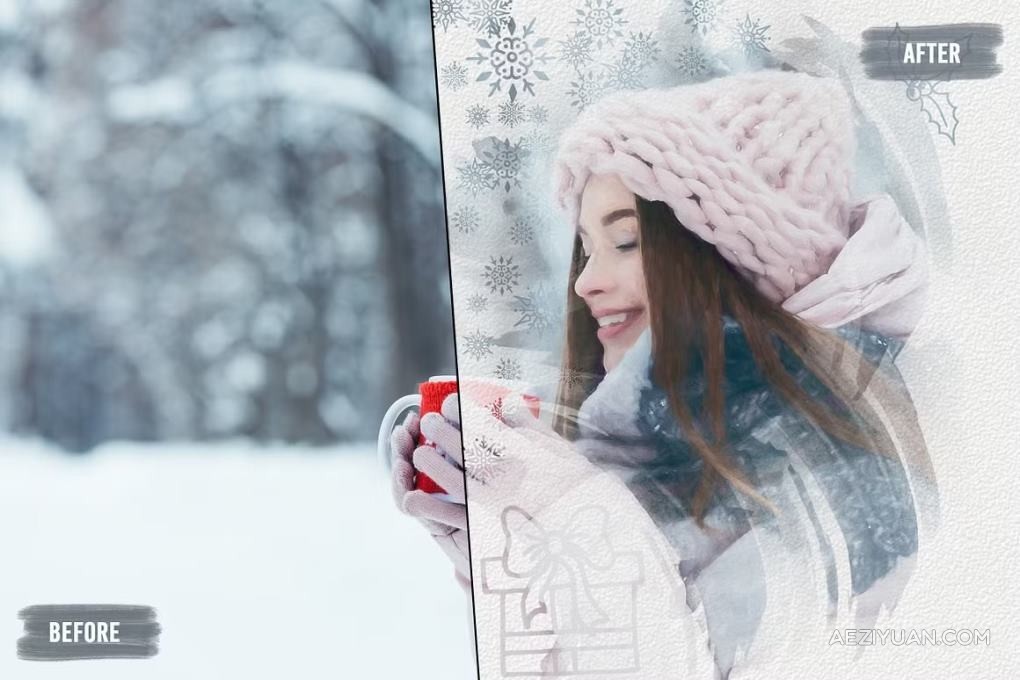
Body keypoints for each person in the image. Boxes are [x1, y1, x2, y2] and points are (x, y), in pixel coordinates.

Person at [388, 69, 938, 676]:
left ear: (733, 258)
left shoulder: (841, 459)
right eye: (587, 248)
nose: (585, 282)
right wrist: (515, 563)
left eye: (626, 242)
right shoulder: (673, 439)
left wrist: (570, 512)